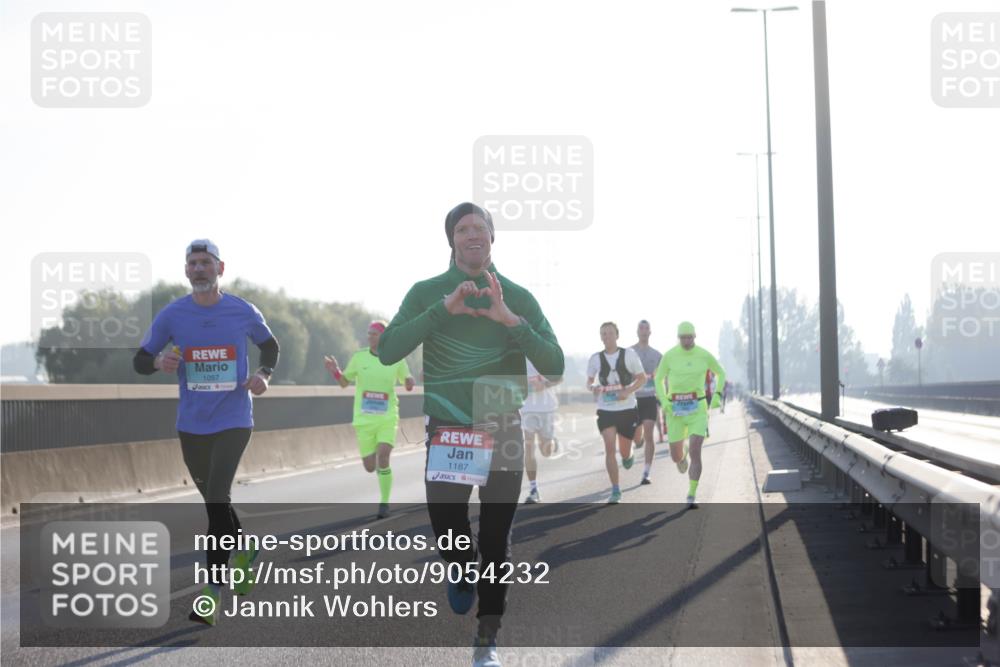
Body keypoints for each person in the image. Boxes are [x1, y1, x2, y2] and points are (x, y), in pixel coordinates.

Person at [377, 202, 564, 667]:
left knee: (497, 541)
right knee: (448, 528)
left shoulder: (516, 296)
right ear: (452, 240)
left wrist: (509, 321)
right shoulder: (426, 292)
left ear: (493, 238)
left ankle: (487, 637)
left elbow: (555, 365)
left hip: (501, 425)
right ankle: (461, 570)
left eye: (480, 227)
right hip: (450, 428)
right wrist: (443, 310)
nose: (472, 234)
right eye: (463, 228)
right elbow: (388, 351)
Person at [133, 240, 279, 626]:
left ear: (220, 268)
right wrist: (158, 361)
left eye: (206, 263)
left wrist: (264, 375)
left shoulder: (242, 310)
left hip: (234, 419)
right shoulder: (172, 315)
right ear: (186, 271)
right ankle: (245, 548)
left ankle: (211, 592)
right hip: (191, 425)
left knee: (217, 498)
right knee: (217, 504)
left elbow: (271, 347)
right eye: (192, 263)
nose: (199, 269)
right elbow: (139, 359)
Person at [324, 319, 415, 519]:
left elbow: (407, 381)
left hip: (387, 417)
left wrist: (409, 381)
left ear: (383, 336)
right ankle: (378, 472)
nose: (370, 336)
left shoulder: (396, 358)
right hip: (364, 420)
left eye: (374, 333)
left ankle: (384, 503)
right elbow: (344, 383)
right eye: (368, 333)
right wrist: (334, 371)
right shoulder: (359, 358)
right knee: (370, 466)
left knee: (383, 456)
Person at [654, 321, 726, 509]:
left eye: (689, 337)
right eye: (683, 337)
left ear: (695, 336)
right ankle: (681, 455)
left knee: (696, 449)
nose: (686, 341)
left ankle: (691, 494)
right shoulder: (669, 356)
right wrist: (664, 401)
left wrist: (717, 395)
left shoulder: (703, 355)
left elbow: (721, 373)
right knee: (675, 457)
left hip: (697, 409)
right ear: (678, 338)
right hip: (675, 410)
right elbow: (658, 378)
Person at [587, 322, 647, 504]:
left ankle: (629, 455)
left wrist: (627, 391)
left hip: (627, 408)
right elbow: (589, 382)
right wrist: (594, 388)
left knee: (624, 452)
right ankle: (615, 489)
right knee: (609, 449)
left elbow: (642, 378)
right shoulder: (595, 358)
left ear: (617, 335)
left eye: (610, 333)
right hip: (606, 409)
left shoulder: (628, 354)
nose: (607, 337)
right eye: (603, 334)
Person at [521, 358, 560, 504]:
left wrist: (544, 384)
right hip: (526, 409)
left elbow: (559, 377)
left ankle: (551, 439)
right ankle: (533, 489)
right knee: (529, 447)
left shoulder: (543, 353)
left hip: (547, 408)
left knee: (546, 452)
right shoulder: (517, 355)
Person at [630, 320, 662, 484]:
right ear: (637, 332)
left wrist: (664, 396)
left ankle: (646, 472)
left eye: (646, 328)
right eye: (641, 328)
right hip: (633, 399)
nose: (643, 331)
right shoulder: (629, 352)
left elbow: (663, 377)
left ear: (650, 332)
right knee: (636, 438)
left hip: (649, 398)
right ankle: (638, 439)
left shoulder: (657, 355)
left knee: (650, 433)